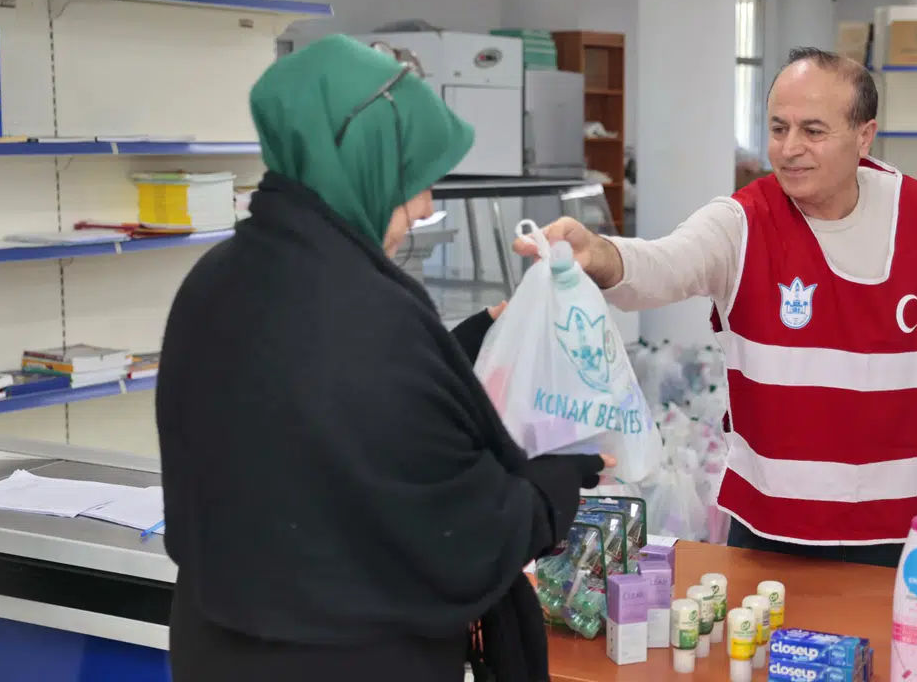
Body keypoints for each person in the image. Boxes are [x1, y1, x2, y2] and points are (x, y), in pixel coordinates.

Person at [157, 35, 609, 682]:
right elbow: (462, 541)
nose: (426, 206)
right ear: (361, 165)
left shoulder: (215, 281)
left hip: (216, 646)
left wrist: (463, 346)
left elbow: (318, 418)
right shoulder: (367, 319)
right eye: (411, 182)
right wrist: (559, 474)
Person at [515, 47, 917, 568]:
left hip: (905, 522)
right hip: (773, 520)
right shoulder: (741, 222)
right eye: (778, 128)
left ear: (864, 135)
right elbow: (663, 266)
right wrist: (600, 254)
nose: (790, 148)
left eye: (813, 130)